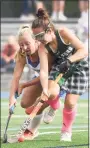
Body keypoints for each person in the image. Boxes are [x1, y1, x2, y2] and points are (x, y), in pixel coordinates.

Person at [31, 8, 88, 141]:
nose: (38, 40)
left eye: (40, 36)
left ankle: (66, 130)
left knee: (70, 103)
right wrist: (45, 89)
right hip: (60, 66)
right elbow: (44, 71)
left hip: (79, 66)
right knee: (51, 92)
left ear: (49, 30)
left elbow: (83, 50)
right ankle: (54, 106)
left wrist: (70, 60)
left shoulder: (63, 33)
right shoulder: (43, 47)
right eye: (36, 37)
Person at [9, 25, 61, 141]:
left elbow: (44, 73)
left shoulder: (43, 49)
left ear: (35, 40)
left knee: (41, 101)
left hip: (58, 76)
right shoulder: (22, 54)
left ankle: (32, 130)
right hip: (42, 77)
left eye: (27, 43)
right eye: (21, 45)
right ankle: (51, 99)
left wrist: (44, 91)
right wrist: (11, 99)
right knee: (25, 103)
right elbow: (16, 78)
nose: (24, 47)